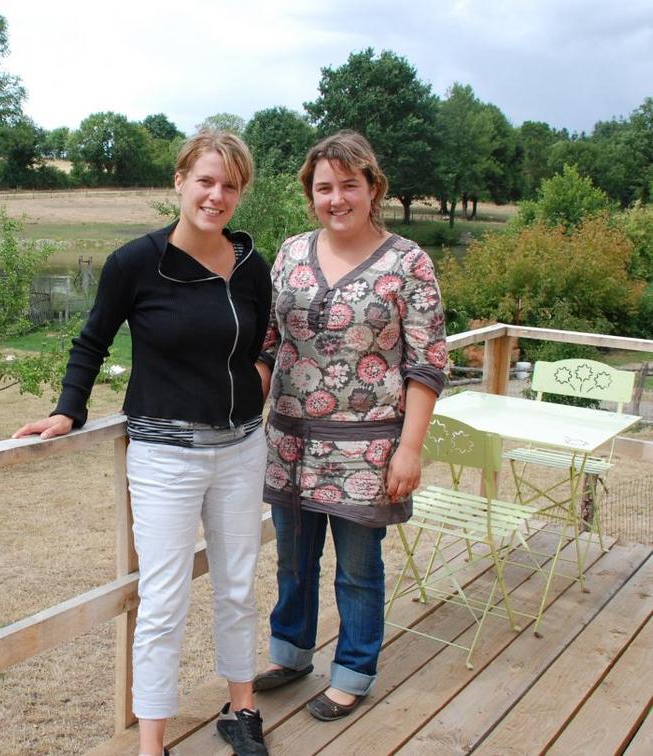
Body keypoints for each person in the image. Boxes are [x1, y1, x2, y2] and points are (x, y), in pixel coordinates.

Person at [14, 130, 272, 756]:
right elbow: (92, 339)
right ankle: (150, 744)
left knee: (238, 585)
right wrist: (67, 410)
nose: (216, 195)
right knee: (164, 599)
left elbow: (264, 340)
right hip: (165, 455)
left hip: (240, 448)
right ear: (179, 181)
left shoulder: (249, 265)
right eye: (205, 180)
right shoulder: (136, 262)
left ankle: (242, 711)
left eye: (230, 185)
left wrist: (256, 387)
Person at [252, 131, 447, 720]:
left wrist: (409, 448)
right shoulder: (289, 253)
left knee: (359, 569)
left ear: (373, 188)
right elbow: (267, 342)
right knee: (292, 560)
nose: (336, 198)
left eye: (348, 186)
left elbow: (427, 361)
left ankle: (355, 669)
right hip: (290, 441)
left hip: (367, 450)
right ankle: (291, 653)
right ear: (311, 194)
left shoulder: (408, 261)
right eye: (324, 187)